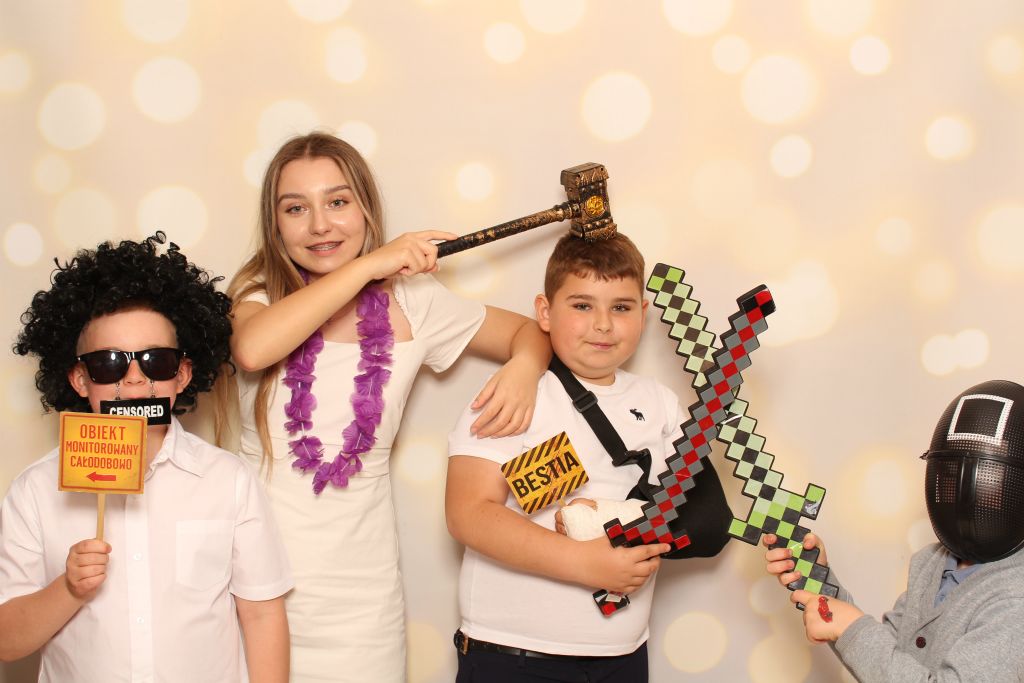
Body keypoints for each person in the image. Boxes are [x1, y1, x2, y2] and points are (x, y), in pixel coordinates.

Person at [223, 132, 550, 681]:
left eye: (338, 201)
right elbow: (254, 350)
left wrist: (524, 367)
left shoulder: (413, 303)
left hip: (361, 600)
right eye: (296, 208)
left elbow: (529, 333)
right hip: (250, 584)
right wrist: (370, 264)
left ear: (366, 208)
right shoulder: (259, 295)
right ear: (274, 224)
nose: (320, 225)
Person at [1, 233, 293, 682]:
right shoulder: (35, 491)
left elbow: (262, 615)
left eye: (156, 361)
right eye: (109, 364)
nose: (135, 380)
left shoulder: (227, 480)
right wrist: (69, 589)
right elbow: (7, 642)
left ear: (183, 375)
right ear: (80, 379)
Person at [445, 232, 733, 682]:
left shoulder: (660, 404)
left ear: (643, 313)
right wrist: (583, 562)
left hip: (622, 654)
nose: (603, 324)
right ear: (545, 312)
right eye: (582, 305)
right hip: (513, 653)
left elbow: (707, 523)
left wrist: (610, 518)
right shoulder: (516, 393)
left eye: (621, 307)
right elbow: (469, 514)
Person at [764, 379, 1024, 682]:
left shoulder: (1015, 601)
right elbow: (885, 662)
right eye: (951, 476)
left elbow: (863, 639)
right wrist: (819, 581)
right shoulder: (931, 562)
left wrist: (851, 628)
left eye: (993, 481)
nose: (967, 493)